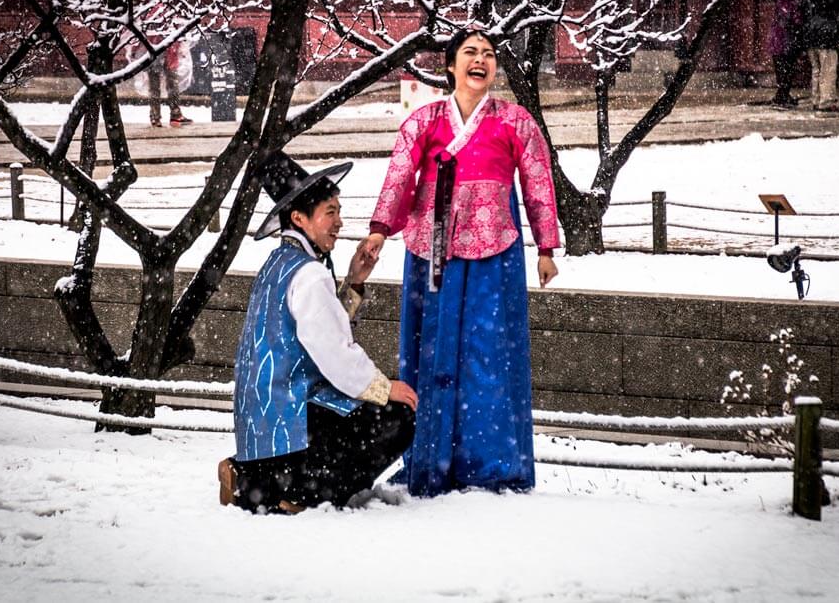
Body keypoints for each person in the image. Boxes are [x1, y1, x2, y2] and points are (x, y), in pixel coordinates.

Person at [363, 27, 561, 498]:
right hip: (431, 250)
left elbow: (537, 182)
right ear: (450, 65)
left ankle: (492, 466)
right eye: (470, 52)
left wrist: (547, 248)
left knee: (490, 355)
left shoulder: (516, 121)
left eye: (488, 54)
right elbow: (399, 177)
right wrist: (378, 230)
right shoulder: (423, 120)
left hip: (496, 251)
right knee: (428, 355)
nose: (480, 60)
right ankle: (429, 459)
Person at [219, 152, 418, 514]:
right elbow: (334, 354)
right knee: (396, 418)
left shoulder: (277, 265)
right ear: (299, 218)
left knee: (354, 410)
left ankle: (252, 475)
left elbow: (320, 331)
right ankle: (302, 495)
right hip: (293, 411)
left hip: (266, 420)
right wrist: (385, 389)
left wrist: (354, 281)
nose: (339, 222)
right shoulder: (309, 274)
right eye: (330, 212)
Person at [802, 0, 839, 112]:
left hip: (812, 36)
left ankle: (816, 99)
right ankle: (827, 101)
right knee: (828, 71)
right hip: (826, 37)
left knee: (816, 70)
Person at [768, 0, 805, 107]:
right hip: (786, 43)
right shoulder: (791, 5)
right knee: (787, 71)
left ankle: (782, 96)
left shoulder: (781, 3)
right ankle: (782, 97)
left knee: (782, 72)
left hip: (778, 43)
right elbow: (795, 21)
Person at [148, 41, 193, 128]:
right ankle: (175, 114)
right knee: (172, 84)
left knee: (155, 86)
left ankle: (155, 116)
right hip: (168, 49)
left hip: (154, 48)